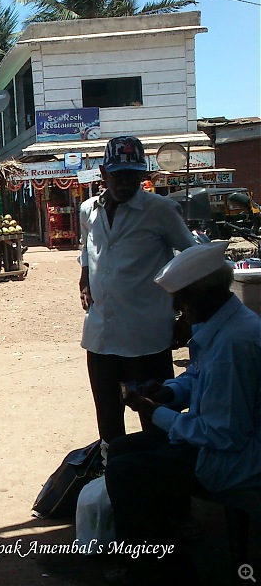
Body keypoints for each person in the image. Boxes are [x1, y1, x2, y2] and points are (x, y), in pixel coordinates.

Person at [105, 241, 261, 584]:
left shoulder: (234, 343)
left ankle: (165, 573)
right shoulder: (220, 323)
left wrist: (155, 412)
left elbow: (221, 433)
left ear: (203, 295)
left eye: (181, 298)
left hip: (235, 459)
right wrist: (168, 392)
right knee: (121, 450)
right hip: (223, 444)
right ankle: (155, 551)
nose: (176, 307)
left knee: (126, 473)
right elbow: (196, 376)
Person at [79, 136, 197, 443]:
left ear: (144, 175)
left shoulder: (160, 210)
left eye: (134, 174)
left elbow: (194, 258)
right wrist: (84, 277)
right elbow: (87, 250)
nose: (127, 182)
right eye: (119, 174)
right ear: (104, 173)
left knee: (154, 419)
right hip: (101, 336)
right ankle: (112, 475)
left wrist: (187, 313)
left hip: (146, 336)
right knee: (108, 420)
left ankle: (157, 479)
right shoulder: (88, 211)